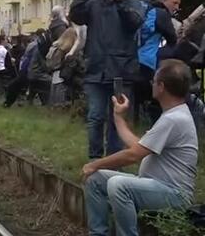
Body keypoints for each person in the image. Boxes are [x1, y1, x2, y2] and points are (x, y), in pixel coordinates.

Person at [83, 59, 198, 236]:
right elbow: (139, 147)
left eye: (154, 81)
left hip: (175, 195)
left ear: (161, 86)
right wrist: (119, 117)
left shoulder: (174, 119)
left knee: (118, 185)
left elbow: (133, 155)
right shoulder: (173, 115)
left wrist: (95, 163)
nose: (151, 84)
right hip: (154, 186)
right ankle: (98, 233)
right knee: (95, 179)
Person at [69, 0, 145, 160]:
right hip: (96, 68)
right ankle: (95, 159)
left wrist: (120, 0)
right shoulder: (93, 3)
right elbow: (75, 15)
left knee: (117, 119)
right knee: (95, 117)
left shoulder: (131, 2)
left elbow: (135, 22)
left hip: (121, 70)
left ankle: (113, 160)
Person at [136, 0, 180, 125]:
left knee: (134, 97)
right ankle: (157, 127)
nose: (177, 7)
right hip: (147, 61)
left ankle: (133, 124)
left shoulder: (144, 9)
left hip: (130, 59)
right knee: (157, 95)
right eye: (175, 3)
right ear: (165, 1)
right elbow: (172, 38)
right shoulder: (161, 13)